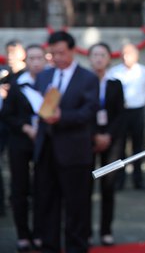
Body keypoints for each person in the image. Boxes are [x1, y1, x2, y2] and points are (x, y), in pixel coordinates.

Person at [34, 31, 99, 253]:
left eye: (61, 53)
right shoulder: (44, 76)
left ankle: (76, 247)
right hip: (46, 148)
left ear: (73, 50)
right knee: (47, 202)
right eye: (53, 54)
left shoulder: (87, 78)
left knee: (76, 204)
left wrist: (63, 116)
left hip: (74, 150)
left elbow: (89, 111)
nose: (57, 58)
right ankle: (49, 245)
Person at [1, 44, 46, 251]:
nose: (36, 63)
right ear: (26, 61)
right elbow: (7, 114)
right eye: (32, 59)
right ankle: (22, 235)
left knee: (42, 188)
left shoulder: (51, 82)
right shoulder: (17, 83)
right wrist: (25, 127)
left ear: (45, 60)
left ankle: (39, 233)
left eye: (39, 58)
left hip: (44, 142)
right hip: (20, 142)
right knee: (19, 188)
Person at [88, 43, 125, 246]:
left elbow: (120, 114)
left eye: (103, 54)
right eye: (95, 55)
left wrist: (108, 135)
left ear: (109, 58)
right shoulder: (84, 81)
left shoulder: (115, 83)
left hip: (111, 140)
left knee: (108, 186)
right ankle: (84, 231)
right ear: (89, 58)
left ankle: (106, 231)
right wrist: (94, 135)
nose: (99, 58)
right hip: (87, 139)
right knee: (84, 187)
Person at [108, 43, 145, 190]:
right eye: (124, 54)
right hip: (121, 112)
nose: (126, 58)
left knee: (138, 146)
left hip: (137, 110)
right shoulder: (114, 72)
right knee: (120, 147)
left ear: (136, 56)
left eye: (129, 54)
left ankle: (138, 179)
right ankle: (119, 180)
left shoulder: (144, 71)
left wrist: (140, 102)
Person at [0, 40, 27, 218]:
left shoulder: (28, 76)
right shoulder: (4, 73)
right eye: (8, 52)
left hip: (23, 129)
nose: (10, 56)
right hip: (5, 126)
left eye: (14, 52)